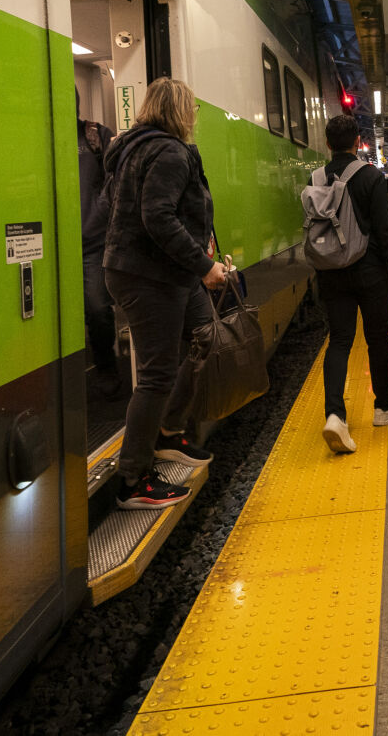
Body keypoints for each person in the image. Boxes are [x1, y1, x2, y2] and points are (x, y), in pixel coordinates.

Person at [101, 77, 229, 509]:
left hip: (159, 271)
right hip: (149, 275)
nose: (194, 115)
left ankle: (170, 432)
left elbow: (111, 205)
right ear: (180, 111)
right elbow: (157, 216)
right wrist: (205, 265)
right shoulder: (170, 152)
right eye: (191, 108)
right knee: (157, 373)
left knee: (205, 336)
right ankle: (132, 481)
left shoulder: (131, 148)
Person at [314, 114, 388, 455]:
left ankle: (334, 415)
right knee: (377, 339)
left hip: (331, 272)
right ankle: (383, 407)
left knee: (340, 341)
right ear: (358, 141)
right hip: (370, 271)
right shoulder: (371, 176)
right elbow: (387, 233)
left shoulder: (316, 177)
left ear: (328, 144)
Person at [76, 92, 122, 398]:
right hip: (46, 247)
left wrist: (97, 217)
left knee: (97, 308)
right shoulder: (34, 134)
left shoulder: (95, 136)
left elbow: (115, 181)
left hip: (90, 242)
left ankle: (107, 369)